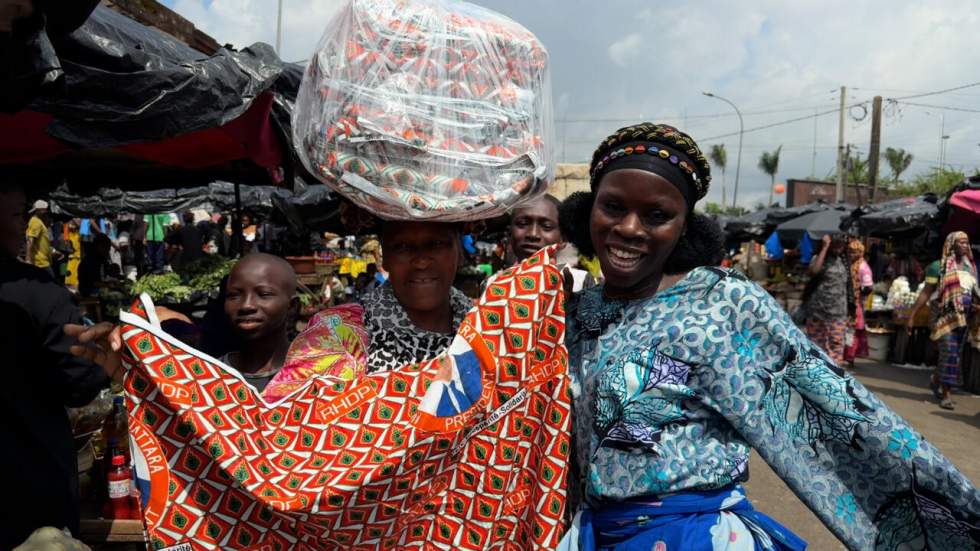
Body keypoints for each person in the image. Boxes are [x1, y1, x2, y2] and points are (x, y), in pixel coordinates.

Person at [559, 122, 979, 550]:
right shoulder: (574, 314)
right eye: (613, 206)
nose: (630, 228)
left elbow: (839, 419)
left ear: (684, 227)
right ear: (588, 209)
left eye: (657, 216)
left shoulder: (718, 303)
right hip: (589, 535)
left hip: (687, 538)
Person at [0, 185, 109, 548]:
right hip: (27, 487)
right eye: (17, 215)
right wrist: (103, 354)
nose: (24, 226)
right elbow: (79, 383)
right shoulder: (34, 290)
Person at [906, 231, 979, 410]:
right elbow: (926, 292)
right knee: (950, 352)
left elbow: (973, 292)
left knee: (954, 354)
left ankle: (936, 380)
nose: (965, 245)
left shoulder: (971, 268)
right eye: (960, 242)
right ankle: (946, 394)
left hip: (963, 317)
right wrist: (912, 315)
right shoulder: (938, 267)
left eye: (966, 242)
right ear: (951, 244)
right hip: (942, 315)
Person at [510, 193, 596, 292]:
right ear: (510, 231)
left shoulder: (579, 283)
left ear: (563, 238)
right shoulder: (494, 284)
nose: (533, 234)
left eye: (547, 226)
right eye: (523, 223)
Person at [804, 234, 849, 365]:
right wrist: (824, 247)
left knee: (836, 345)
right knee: (817, 346)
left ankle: (834, 376)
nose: (840, 246)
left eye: (842, 243)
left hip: (838, 312)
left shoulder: (844, 260)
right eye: (836, 243)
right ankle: (818, 376)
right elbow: (815, 271)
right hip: (818, 311)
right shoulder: (819, 259)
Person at [845, 239, 874, 367]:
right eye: (849, 251)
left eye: (854, 252)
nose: (851, 254)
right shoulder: (849, 264)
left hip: (856, 304)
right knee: (846, 330)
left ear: (860, 252)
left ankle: (850, 356)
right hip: (846, 302)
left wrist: (858, 297)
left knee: (854, 331)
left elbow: (868, 287)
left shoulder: (863, 267)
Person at [25, 198, 58, 275]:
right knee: (51, 283)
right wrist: (28, 259)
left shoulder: (39, 222)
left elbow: (41, 242)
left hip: (43, 260)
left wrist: (52, 251)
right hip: (40, 262)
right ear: (39, 210)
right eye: (45, 210)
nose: (46, 212)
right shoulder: (35, 222)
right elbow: (30, 240)